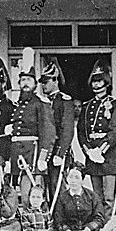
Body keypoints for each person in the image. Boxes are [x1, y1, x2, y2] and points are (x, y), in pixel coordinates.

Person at [7, 47, 57, 207]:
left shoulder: (41, 104)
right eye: (22, 80)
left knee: (32, 194)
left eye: (29, 80)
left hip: (33, 153)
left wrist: (43, 158)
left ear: (35, 84)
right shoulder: (17, 104)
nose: (25, 84)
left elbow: (48, 133)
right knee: (17, 193)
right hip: (17, 153)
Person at [78, 59, 116, 217]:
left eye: (100, 82)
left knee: (110, 197)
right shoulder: (87, 106)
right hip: (92, 155)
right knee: (96, 197)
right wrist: (88, 151)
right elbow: (81, 132)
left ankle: (108, 226)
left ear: (107, 84)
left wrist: (101, 150)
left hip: (108, 155)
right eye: (94, 82)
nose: (96, 85)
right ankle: (98, 225)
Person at [40, 57, 75, 201]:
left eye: (46, 81)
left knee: (58, 189)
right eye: (42, 82)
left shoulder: (65, 100)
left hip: (58, 153)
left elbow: (67, 130)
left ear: (55, 81)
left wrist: (60, 154)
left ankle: (61, 222)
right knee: (45, 189)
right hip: (44, 152)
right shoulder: (42, 102)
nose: (43, 85)